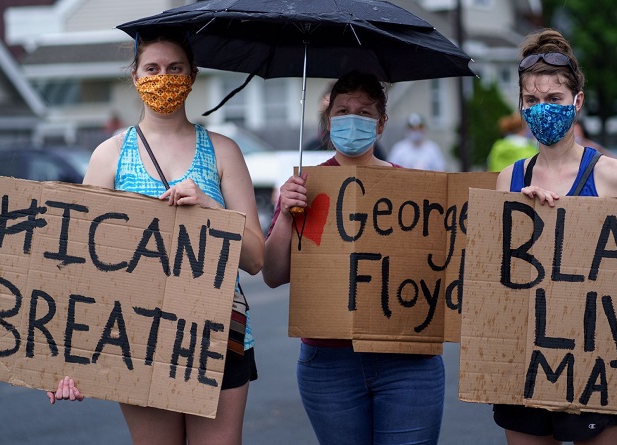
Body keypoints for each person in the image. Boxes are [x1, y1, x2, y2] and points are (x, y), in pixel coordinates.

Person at [46, 30, 265, 445]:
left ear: (193, 75)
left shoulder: (223, 151)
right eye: (152, 68)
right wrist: (62, 358)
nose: (163, 77)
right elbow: (76, 267)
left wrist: (211, 211)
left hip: (217, 336)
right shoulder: (109, 155)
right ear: (134, 76)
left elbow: (255, 258)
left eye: (174, 68)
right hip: (136, 336)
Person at [494, 28, 617, 445]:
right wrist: (522, 214)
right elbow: (496, 278)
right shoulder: (510, 178)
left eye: (555, 100)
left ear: (577, 101)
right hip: (530, 357)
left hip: (602, 363)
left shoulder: (614, 176)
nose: (543, 110)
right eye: (533, 101)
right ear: (522, 106)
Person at [263, 70, 445, 445]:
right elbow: (274, 274)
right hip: (329, 363)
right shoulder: (305, 189)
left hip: (406, 359)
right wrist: (285, 215)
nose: (352, 119)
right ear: (329, 123)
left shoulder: (413, 190)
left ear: (380, 125)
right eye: (343, 110)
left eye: (363, 112)